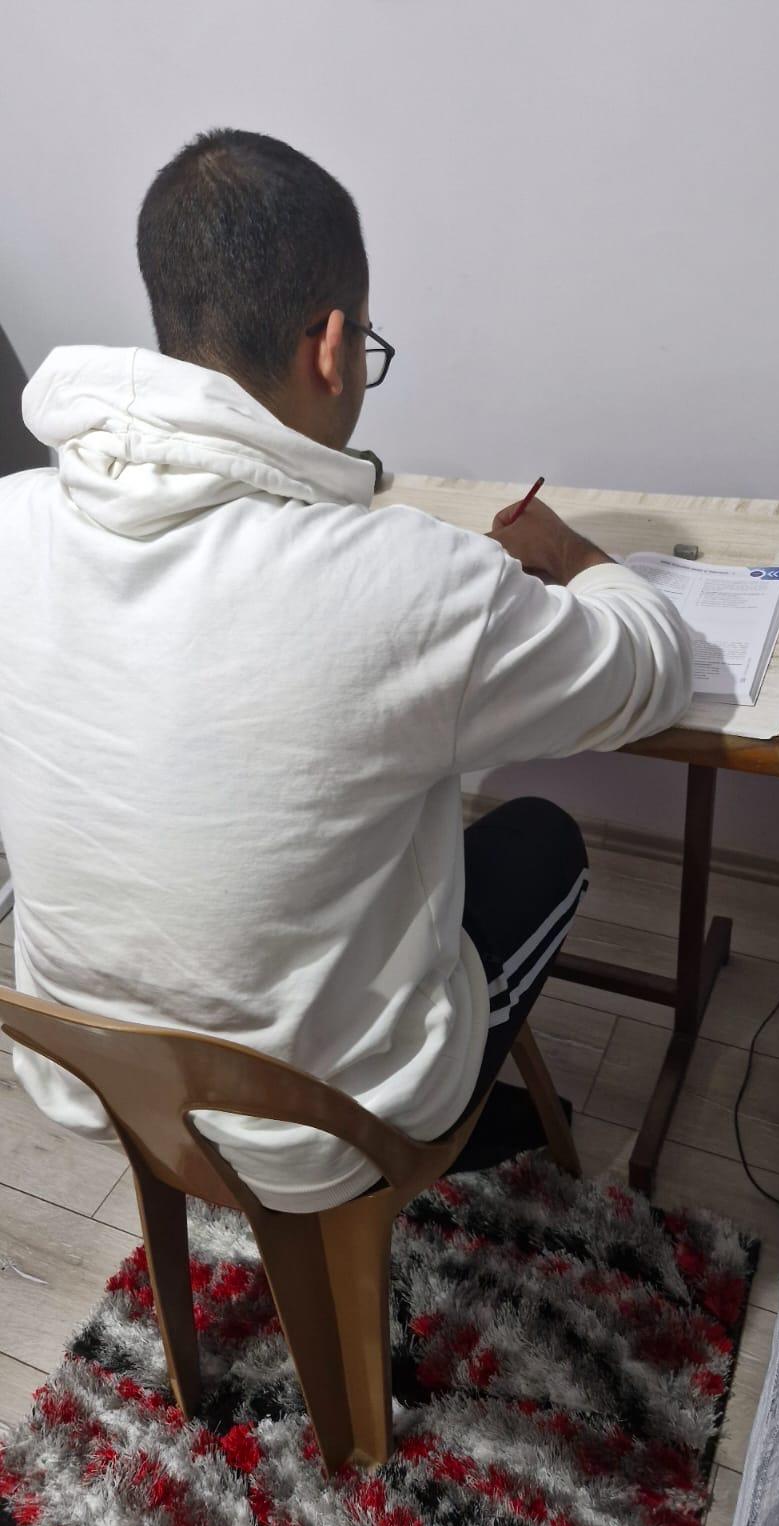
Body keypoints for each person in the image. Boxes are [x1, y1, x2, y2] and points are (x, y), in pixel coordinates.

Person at [0, 129, 693, 1211]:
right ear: (332, 344)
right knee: (542, 840)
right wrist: (574, 557)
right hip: (321, 1129)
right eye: (366, 345)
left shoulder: (13, 523)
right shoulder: (409, 581)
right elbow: (652, 668)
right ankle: (454, 1122)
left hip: (93, 1078)